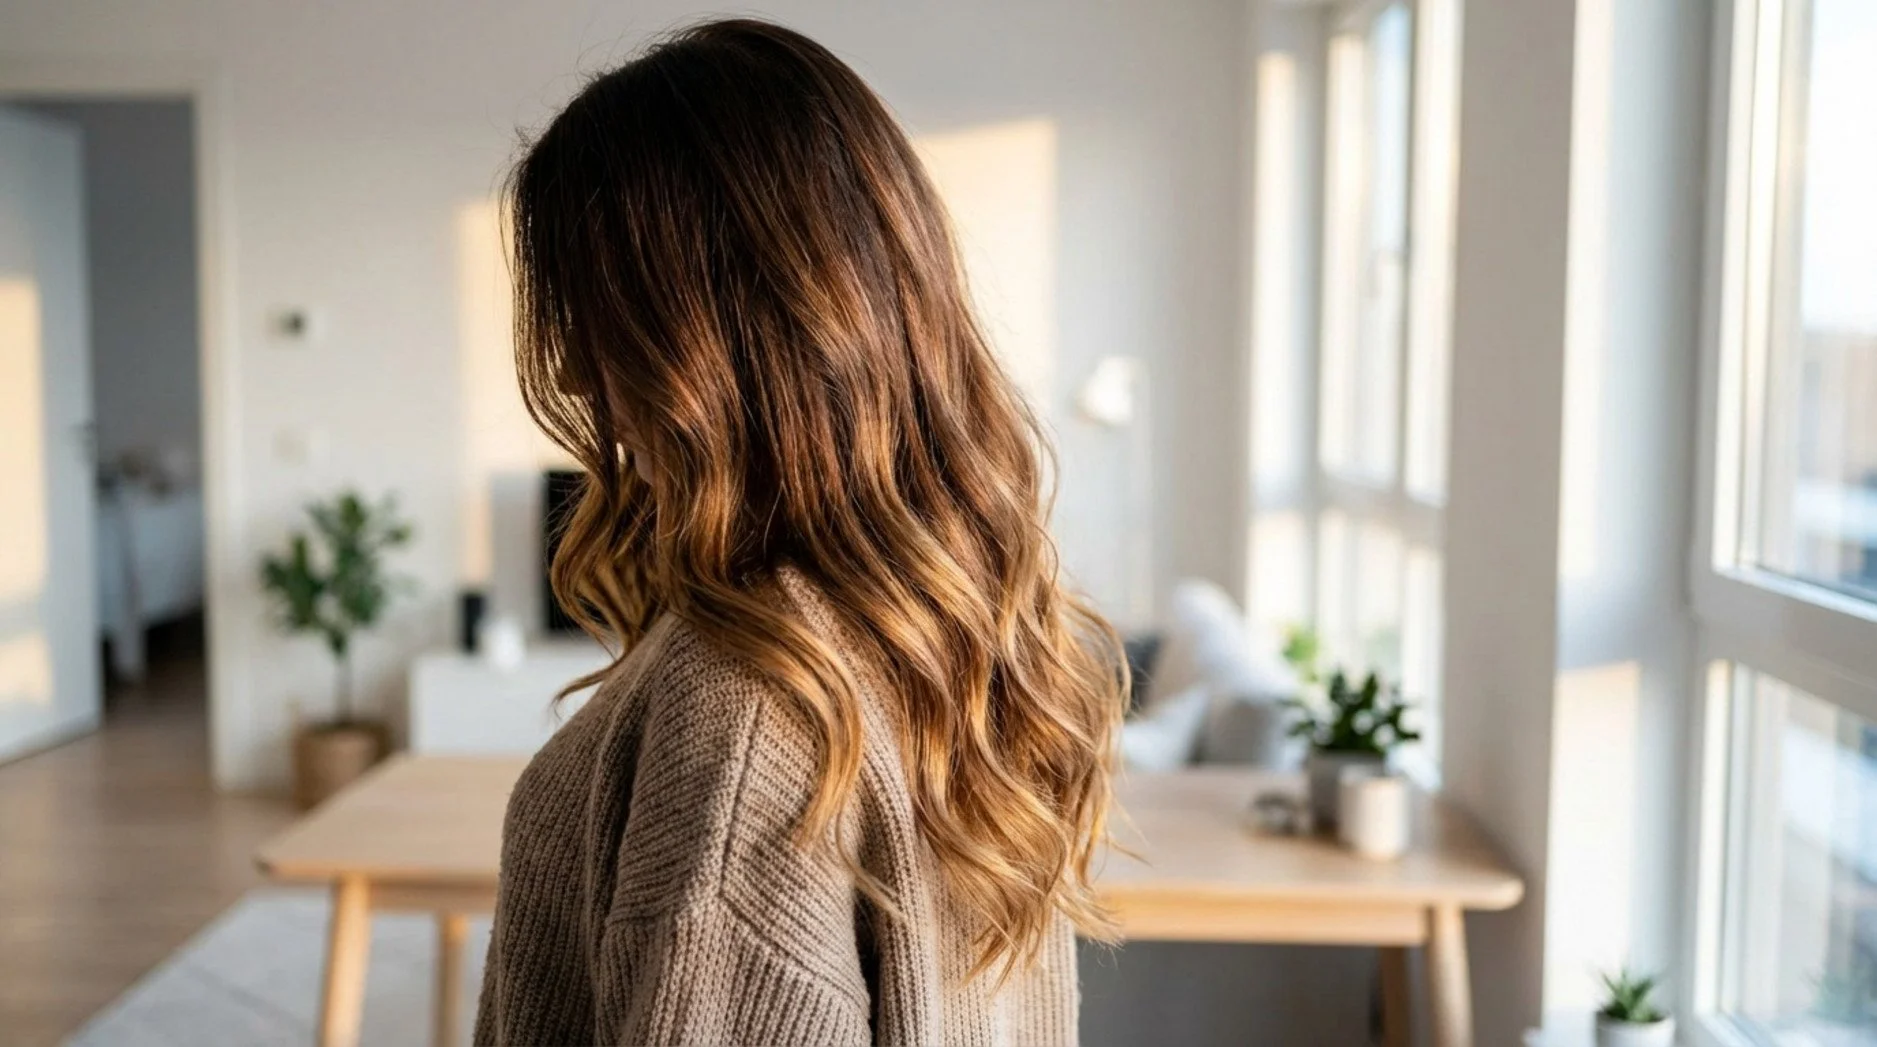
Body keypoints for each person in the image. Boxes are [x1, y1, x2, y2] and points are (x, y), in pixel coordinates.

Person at [474, 18, 1124, 1046]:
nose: (572, 378)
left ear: (703, 336)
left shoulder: (745, 706)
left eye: (598, 324)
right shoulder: (946, 626)